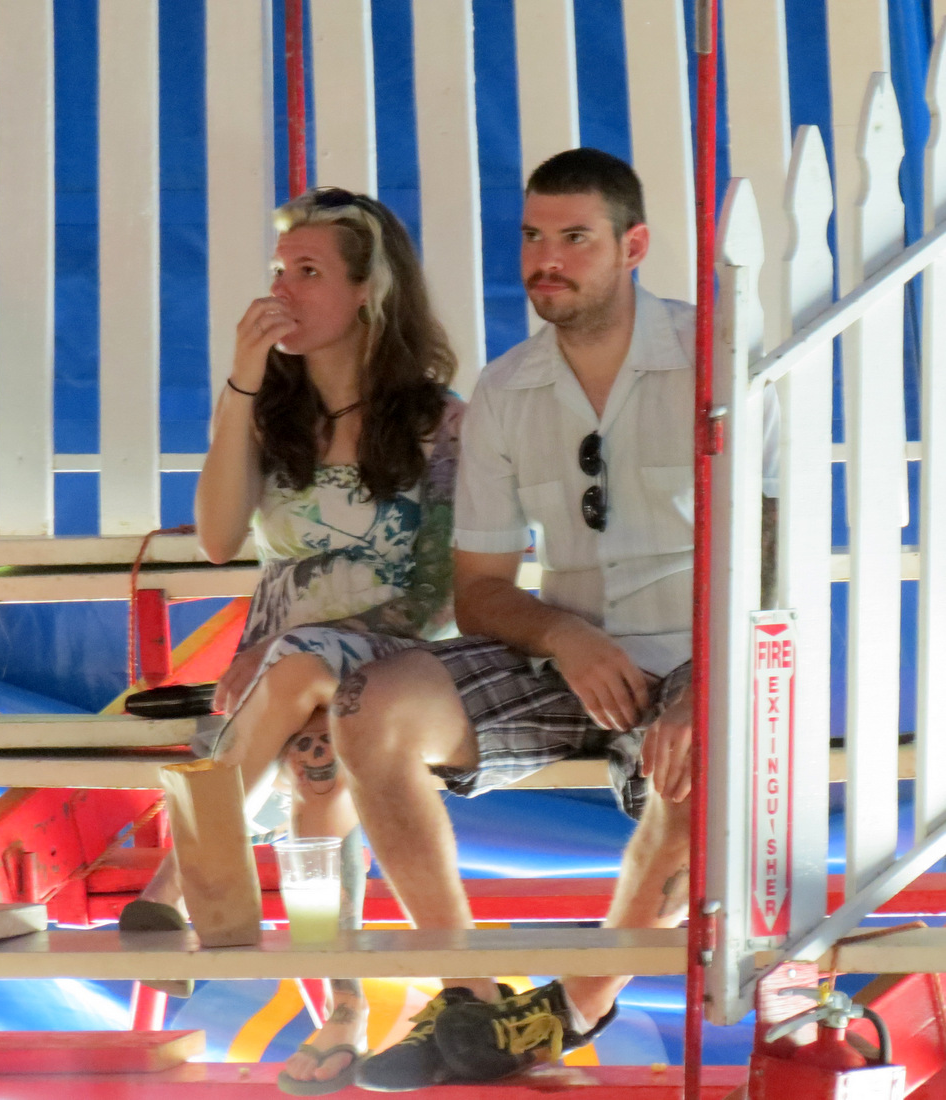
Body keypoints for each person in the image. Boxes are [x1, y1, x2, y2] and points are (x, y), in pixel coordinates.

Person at [326, 148, 779, 1090]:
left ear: (633, 247)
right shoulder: (505, 388)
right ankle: (469, 995)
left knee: (700, 764)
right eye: (534, 237)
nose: (547, 260)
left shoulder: (718, 360)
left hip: (703, 652)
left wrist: (708, 680)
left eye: (575, 238)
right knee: (367, 705)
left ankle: (564, 1011)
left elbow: (775, 556)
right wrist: (565, 637)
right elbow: (482, 589)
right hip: (562, 656)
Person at [120, 186, 463, 1095]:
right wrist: (240, 382)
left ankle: (178, 888)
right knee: (315, 764)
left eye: (308, 271)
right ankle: (339, 1008)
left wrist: (311, 652)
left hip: (393, 660)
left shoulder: (439, 423)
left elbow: (437, 591)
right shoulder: (269, 412)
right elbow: (219, 537)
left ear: (367, 292)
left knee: (313, 689)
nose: (282, 289)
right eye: (279, 270)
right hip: (275, 672)